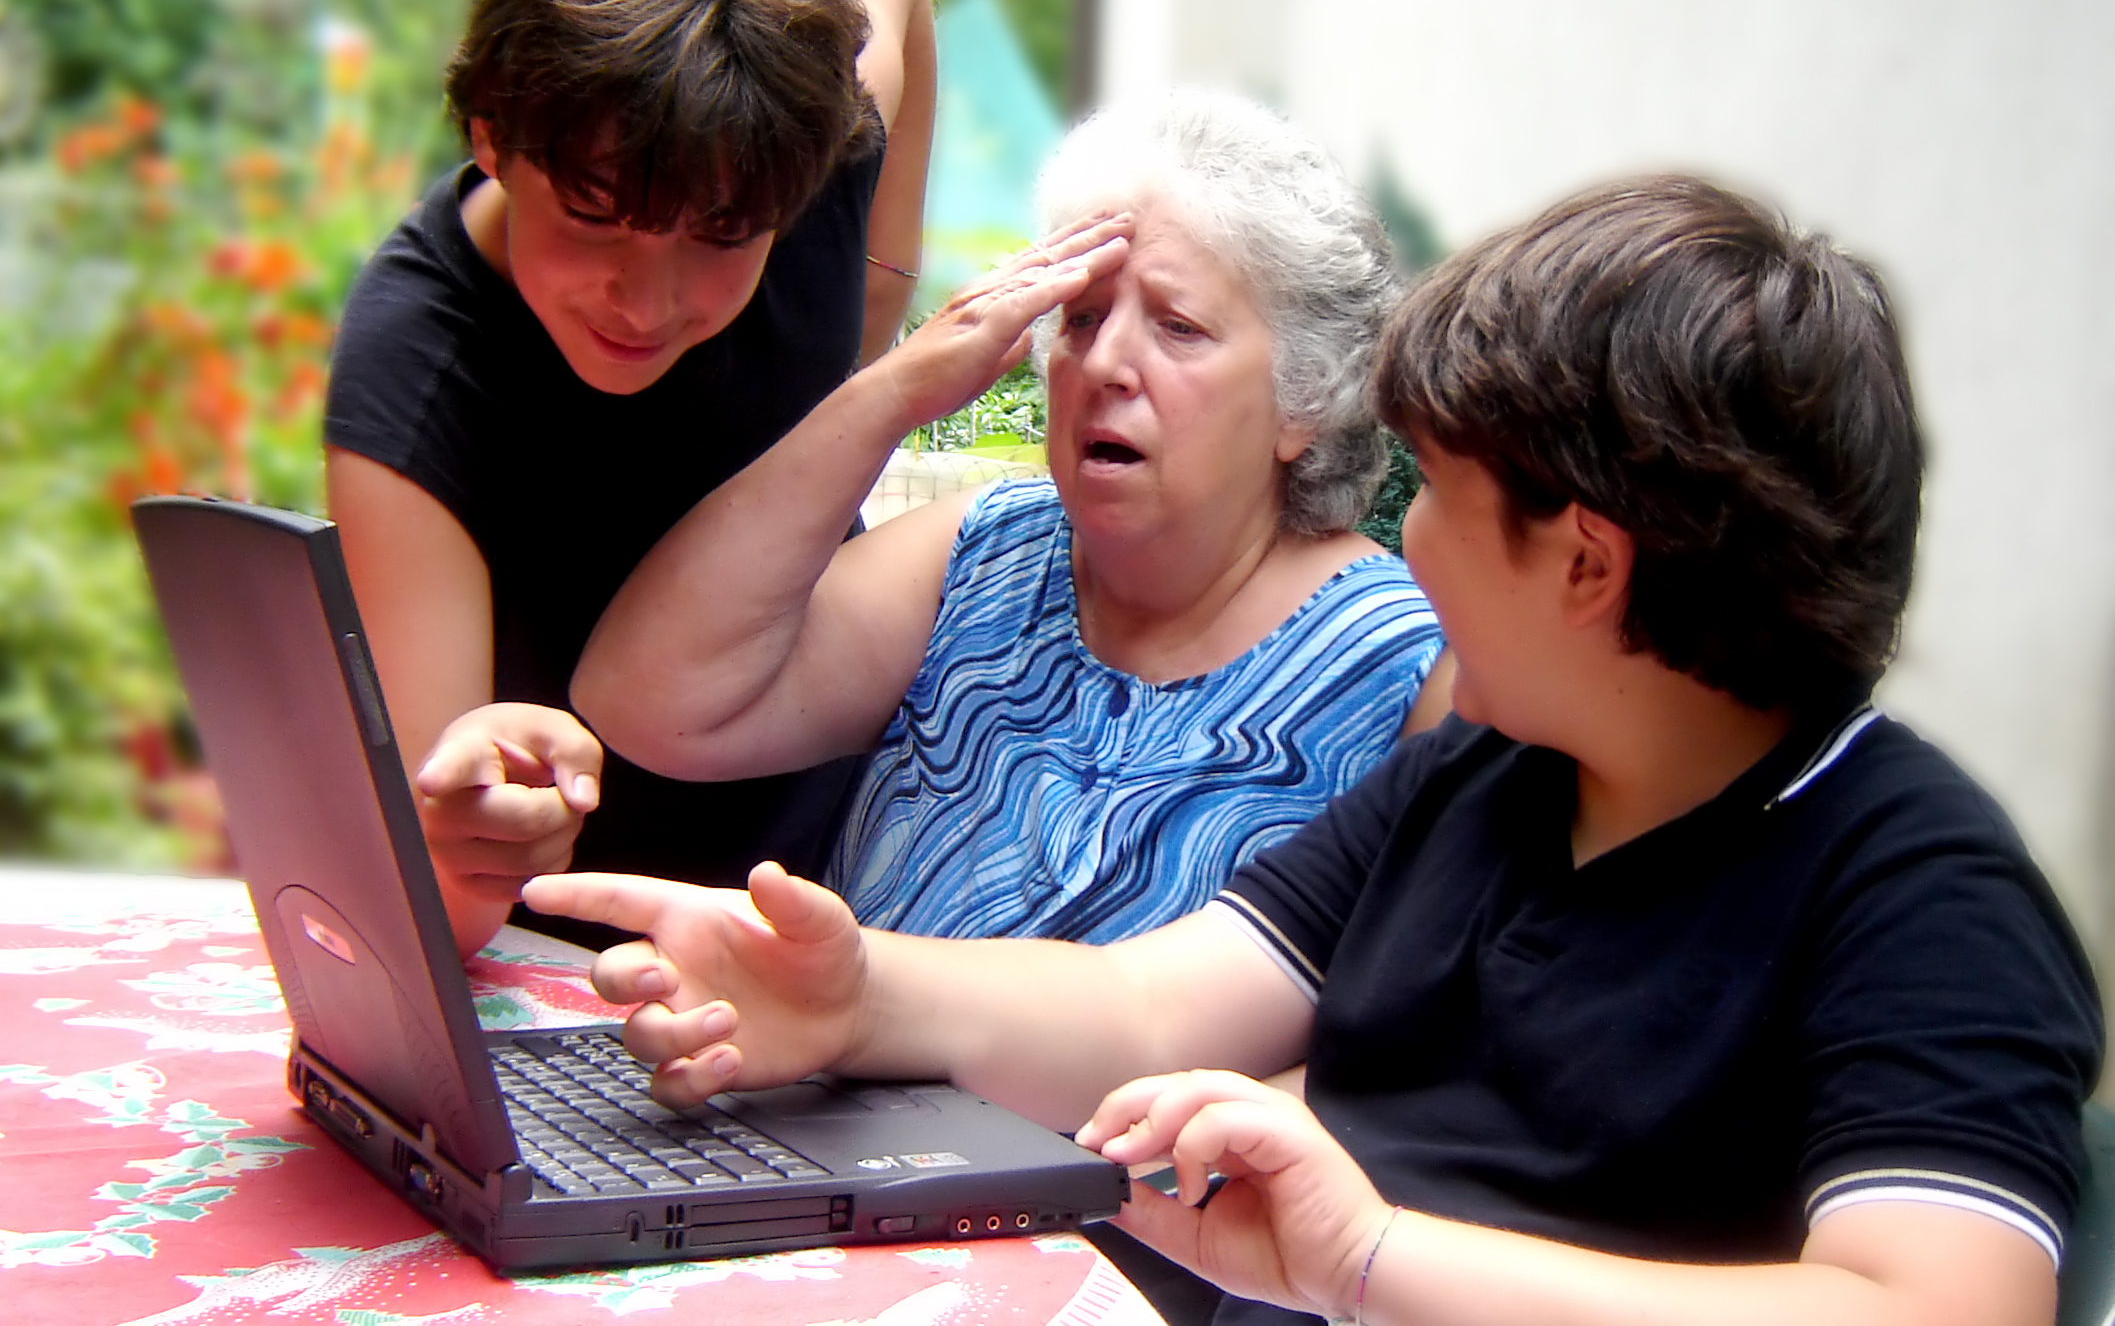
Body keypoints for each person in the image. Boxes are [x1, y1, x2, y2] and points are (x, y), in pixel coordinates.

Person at [524, 175, 2103, 1326]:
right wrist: (856, 992)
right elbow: (1150, 1001)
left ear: (1584, 563)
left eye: (1434, 501)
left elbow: (1937, 1312)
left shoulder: (1914, 887)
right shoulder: (1488, 781)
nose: (1398, 557)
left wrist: (1367, 1263)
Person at [450, 89, 1449, 947]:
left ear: (1305, 398)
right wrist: (892, 393)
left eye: (1179, 329)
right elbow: (645, 703)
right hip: (834, 1145)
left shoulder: (1405, 664)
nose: (1103, 365)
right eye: (1083, 318)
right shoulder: (991, 551)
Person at [322, 0, 936, 955]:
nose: (647, 304)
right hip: (583, 952)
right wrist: (479, 833)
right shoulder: (414, 379)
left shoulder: (803, 142)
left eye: (720, 236)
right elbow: (440, 890)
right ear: (492, 139)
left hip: (858, 875)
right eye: (595, 217)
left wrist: (880, 287)